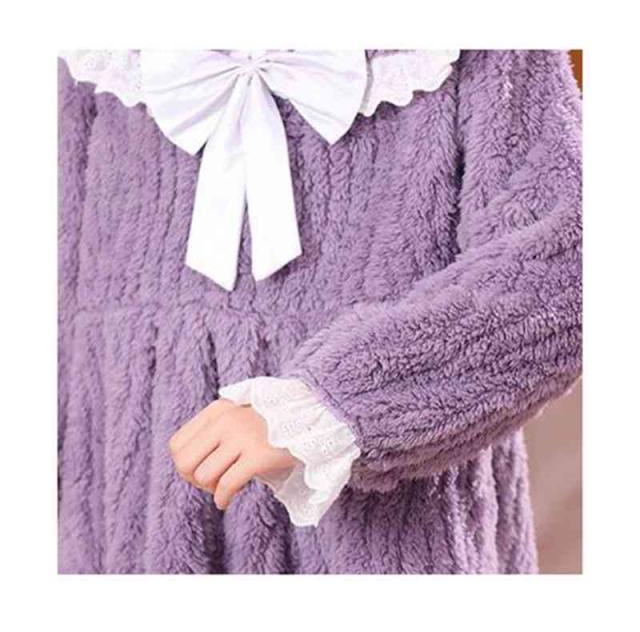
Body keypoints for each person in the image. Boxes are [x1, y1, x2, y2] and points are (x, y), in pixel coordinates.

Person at [58, 49, 582, 573]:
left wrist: (330, 406)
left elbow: (563, 271)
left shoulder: (477, 50)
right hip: (127, 523)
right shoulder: (100, 55)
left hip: (382, 540)